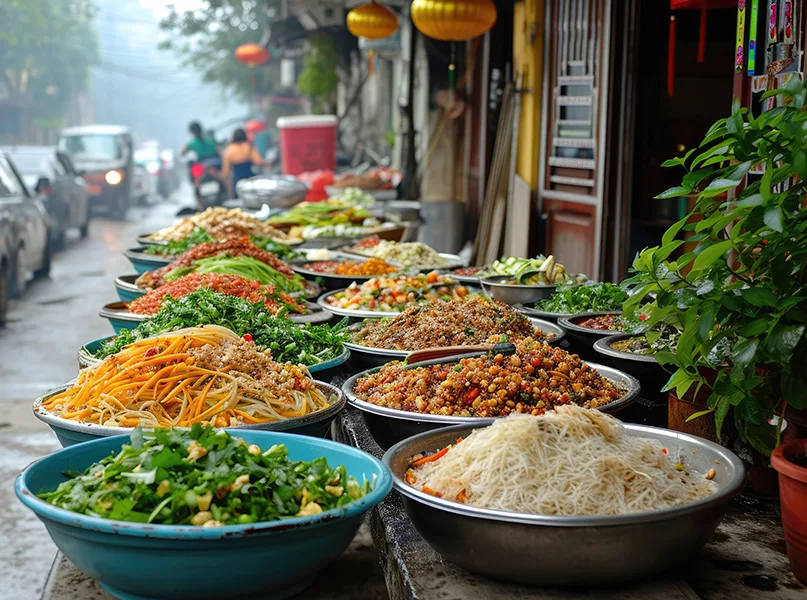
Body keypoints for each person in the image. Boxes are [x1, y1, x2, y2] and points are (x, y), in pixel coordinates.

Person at [221, 128, 264, 198]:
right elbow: (259, 161)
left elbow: (226, 172)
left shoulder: (229, 150)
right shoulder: (249, 146)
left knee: (235, 198)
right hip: (250, 177)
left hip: (237, 180)